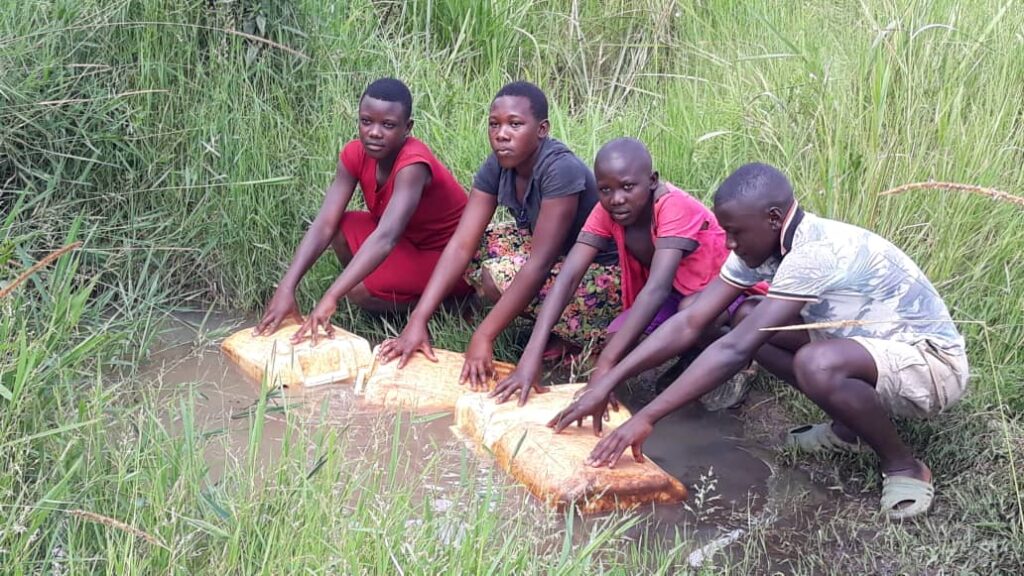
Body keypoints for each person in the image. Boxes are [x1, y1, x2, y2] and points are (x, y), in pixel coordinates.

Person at [548, 163, 969, 520]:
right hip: (865, 347)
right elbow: (693, 319)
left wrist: (647, 417)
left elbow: (734, 351)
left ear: (772, 218)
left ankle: (905, 466)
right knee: (746, 315)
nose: (728, 243)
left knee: (811, 362)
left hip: (930, 366)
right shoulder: (766, 243)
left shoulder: (814, 253)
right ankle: (849, 427)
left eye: (734, 232)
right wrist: (605, 380)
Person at [378, 81, 618, 385]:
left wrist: (483, 336)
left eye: (515, 124)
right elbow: (462, 243)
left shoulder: (560, 169)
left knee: (500, 275)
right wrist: (418, 319)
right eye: (495, 124)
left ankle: (584, 337)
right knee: (477, 249)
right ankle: (551, 329)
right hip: (561, 257)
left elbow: (540, 264)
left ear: (542, 129)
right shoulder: (499, 164)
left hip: (604, 275)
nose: (501, 134)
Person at [490, 137, 734, 406]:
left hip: (724, 290)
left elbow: (656, 290)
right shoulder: (605, 211)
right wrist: (530, 357)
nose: (617, 199)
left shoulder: (672, 207)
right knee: (615, 339)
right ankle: (692, 354)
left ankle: (732, 352)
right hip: (678, 293)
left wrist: (603, 372)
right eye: (605, 190)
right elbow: (569, 277)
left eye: (628, 187)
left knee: (690, 311)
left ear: (652, 180)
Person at [253, 77, 471, 343]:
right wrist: (286, 287)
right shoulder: (354, 155)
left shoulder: (413, 164)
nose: (374, 132)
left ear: (407, 128)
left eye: (388, 125)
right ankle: (381, 294)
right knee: (341, 226)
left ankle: (453, 306)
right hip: (409, 244)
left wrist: (332, 295)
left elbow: (386, 236)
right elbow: (325, 223)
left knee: (358, 290)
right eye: (366, 121)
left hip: (449, 259)